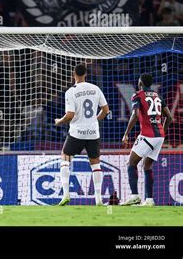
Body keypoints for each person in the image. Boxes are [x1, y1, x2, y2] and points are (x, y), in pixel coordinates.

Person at [54, 64, 110, 206]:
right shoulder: (95, 88)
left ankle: (66, 194)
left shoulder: (71, 91)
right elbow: (106, 110)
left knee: (65, 159)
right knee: (95, 164)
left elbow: (70, 115)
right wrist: (94, 120)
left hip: (77, 133)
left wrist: (59, 122)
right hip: (93, 132)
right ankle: (98, 199)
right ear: (86, 74)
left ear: (74, 74)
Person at [121, 73, 173, 206]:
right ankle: (149, 200)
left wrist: (126, 133)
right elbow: (170, 117)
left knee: (131, 164)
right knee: (147, 165)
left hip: (147, 135)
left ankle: (134, 196)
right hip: (159, 136)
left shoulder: (138, 95)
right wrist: (162, 133)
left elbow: (135, 114)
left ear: (140, 82)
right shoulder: (158, 96)